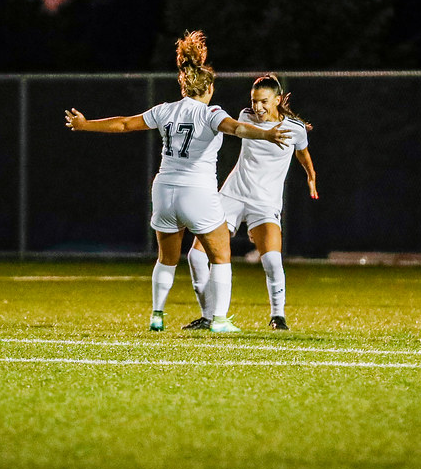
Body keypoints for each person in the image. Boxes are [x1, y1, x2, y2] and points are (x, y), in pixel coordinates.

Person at [64, 31, 291, 333]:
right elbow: (238, 129)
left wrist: (84, 124)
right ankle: (219, 320)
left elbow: (123, 123)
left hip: (163, 190)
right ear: (208, 87)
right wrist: (266, 133)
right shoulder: (211, 113)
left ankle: (157, 315)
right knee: (221, 256)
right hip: (196, 192)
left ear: (183, 85)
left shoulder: (165, 110)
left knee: (166, 259)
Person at [183, 74, 316, 331]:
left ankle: (278, 316)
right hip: (232, 195)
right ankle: (208, 316)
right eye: (254, 101)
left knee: (272, 261)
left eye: (264, 102)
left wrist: (311, 175)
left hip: (264, 204)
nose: (258, 107)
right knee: (196, 256)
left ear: (277, 100)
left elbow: (302, 152)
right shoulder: (245, 116)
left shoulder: (295, 129)